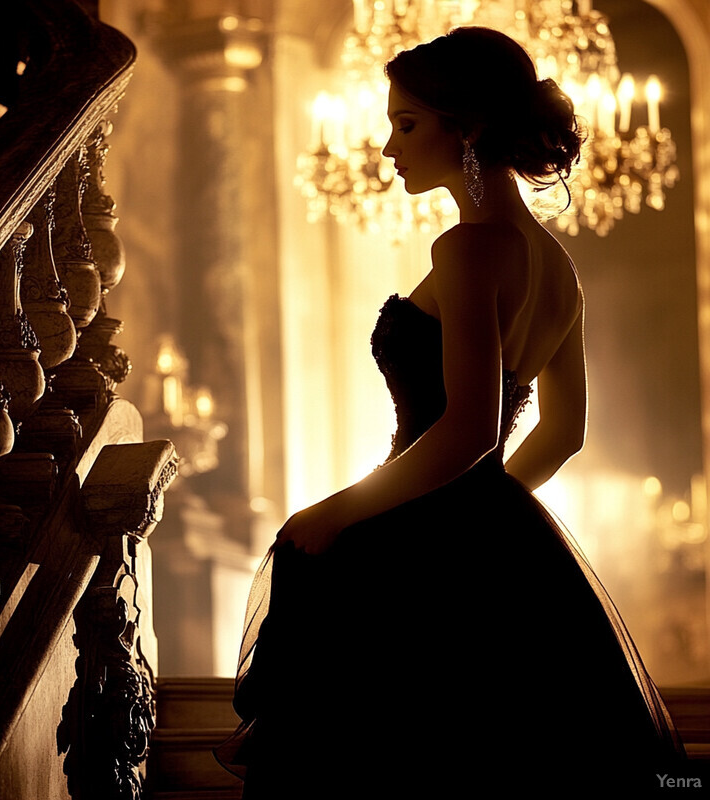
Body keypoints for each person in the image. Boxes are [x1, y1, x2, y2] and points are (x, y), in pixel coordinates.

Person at [217, 26, 685, 797]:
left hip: (424, 524)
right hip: (492, 543)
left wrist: (345, 512)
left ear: (465, 127)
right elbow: (562, 435)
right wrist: (484, 521)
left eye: (406, 124)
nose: (387, 146)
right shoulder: (557, 265)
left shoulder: (467, 250)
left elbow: (469, 427)